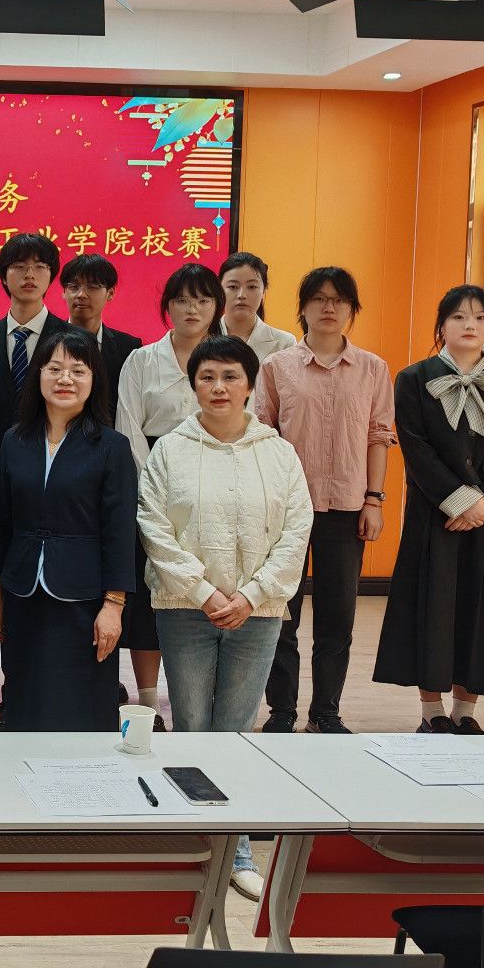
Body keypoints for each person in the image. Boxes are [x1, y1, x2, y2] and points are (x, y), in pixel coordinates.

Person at [137, 334, 312, 901]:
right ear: (193, 385)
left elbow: (297, 529)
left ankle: (234, 849)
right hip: (185, 608)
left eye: (230, 376)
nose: (218, 387)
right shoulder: (170, 449)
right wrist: (204, 591)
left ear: (250, 384)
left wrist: (252, 594)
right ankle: (191, 837)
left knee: (235, 730)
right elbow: (153, 527)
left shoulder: (278, 452)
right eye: (207, 376)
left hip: (258, 613)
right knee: (191, 725)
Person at [374, 285, 484, 733]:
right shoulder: (414, 378)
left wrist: (483, 502)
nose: (471, 325)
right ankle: (431, 713)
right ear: (442, 326)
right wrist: (459, 499)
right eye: (460, 317)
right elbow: (416, 449)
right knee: (432, 606)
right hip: (435, 514)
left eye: (481, 317)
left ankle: (465, 714)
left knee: (482, 609)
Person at [255, 267, 395, 735]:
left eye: (339, 300)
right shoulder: (277, 367)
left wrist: (374, 500)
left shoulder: (373, 369)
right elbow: (263, 436)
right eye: (318, 298)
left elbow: (379, 437)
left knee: (338, 617)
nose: (329, 307)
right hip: (286, 510)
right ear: (303, 307)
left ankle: (326, 712)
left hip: (348, 507)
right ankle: (282, 711)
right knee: (281, 613)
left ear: (352, 309)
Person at [0, 330, 136, 732]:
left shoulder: (112, 446)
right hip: (21, 589)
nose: (65, 378)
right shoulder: (15, 441)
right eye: (54, 369)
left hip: (84, 594)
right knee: (25, 690)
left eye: (78, 370)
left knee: (82, 699)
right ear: (38, 375)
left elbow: (120, 531)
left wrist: (114, 604)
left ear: (94, 380)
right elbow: (0, 519)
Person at [0, 233, 76, 729]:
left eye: (39, 266)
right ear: (4, 275)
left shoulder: (70, 341)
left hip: (58, 480)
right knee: (7, 587)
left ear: (52, 276)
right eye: (19, 266)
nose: (29, 275)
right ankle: (13, 691)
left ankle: (55, 689)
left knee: (55, 588)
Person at [112, 263, 224, 730]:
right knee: (147, 599)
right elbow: (128, 429)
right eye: (182, 299)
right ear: (167, 307)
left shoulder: (228, 361)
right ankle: (148, 702)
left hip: (214, 487)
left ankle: (199, 700)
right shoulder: (141, 360)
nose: (192, 308)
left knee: (205, 590)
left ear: (216, 306)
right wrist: (154, 491)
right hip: (151, 487)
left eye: (202, 299)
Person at [59, 252, 142, 416]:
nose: (81, 295)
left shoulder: (128, 348)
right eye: (74, 287)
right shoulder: (45, 340)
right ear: (64, 292)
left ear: (110, 293)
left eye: (92, 287)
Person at [218, 251, 296, 364]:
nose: (242, 295)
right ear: (219, 290)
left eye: (252, 287)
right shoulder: (201, 337)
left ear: (263, 292)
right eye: (233, 286)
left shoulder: (284, 343)